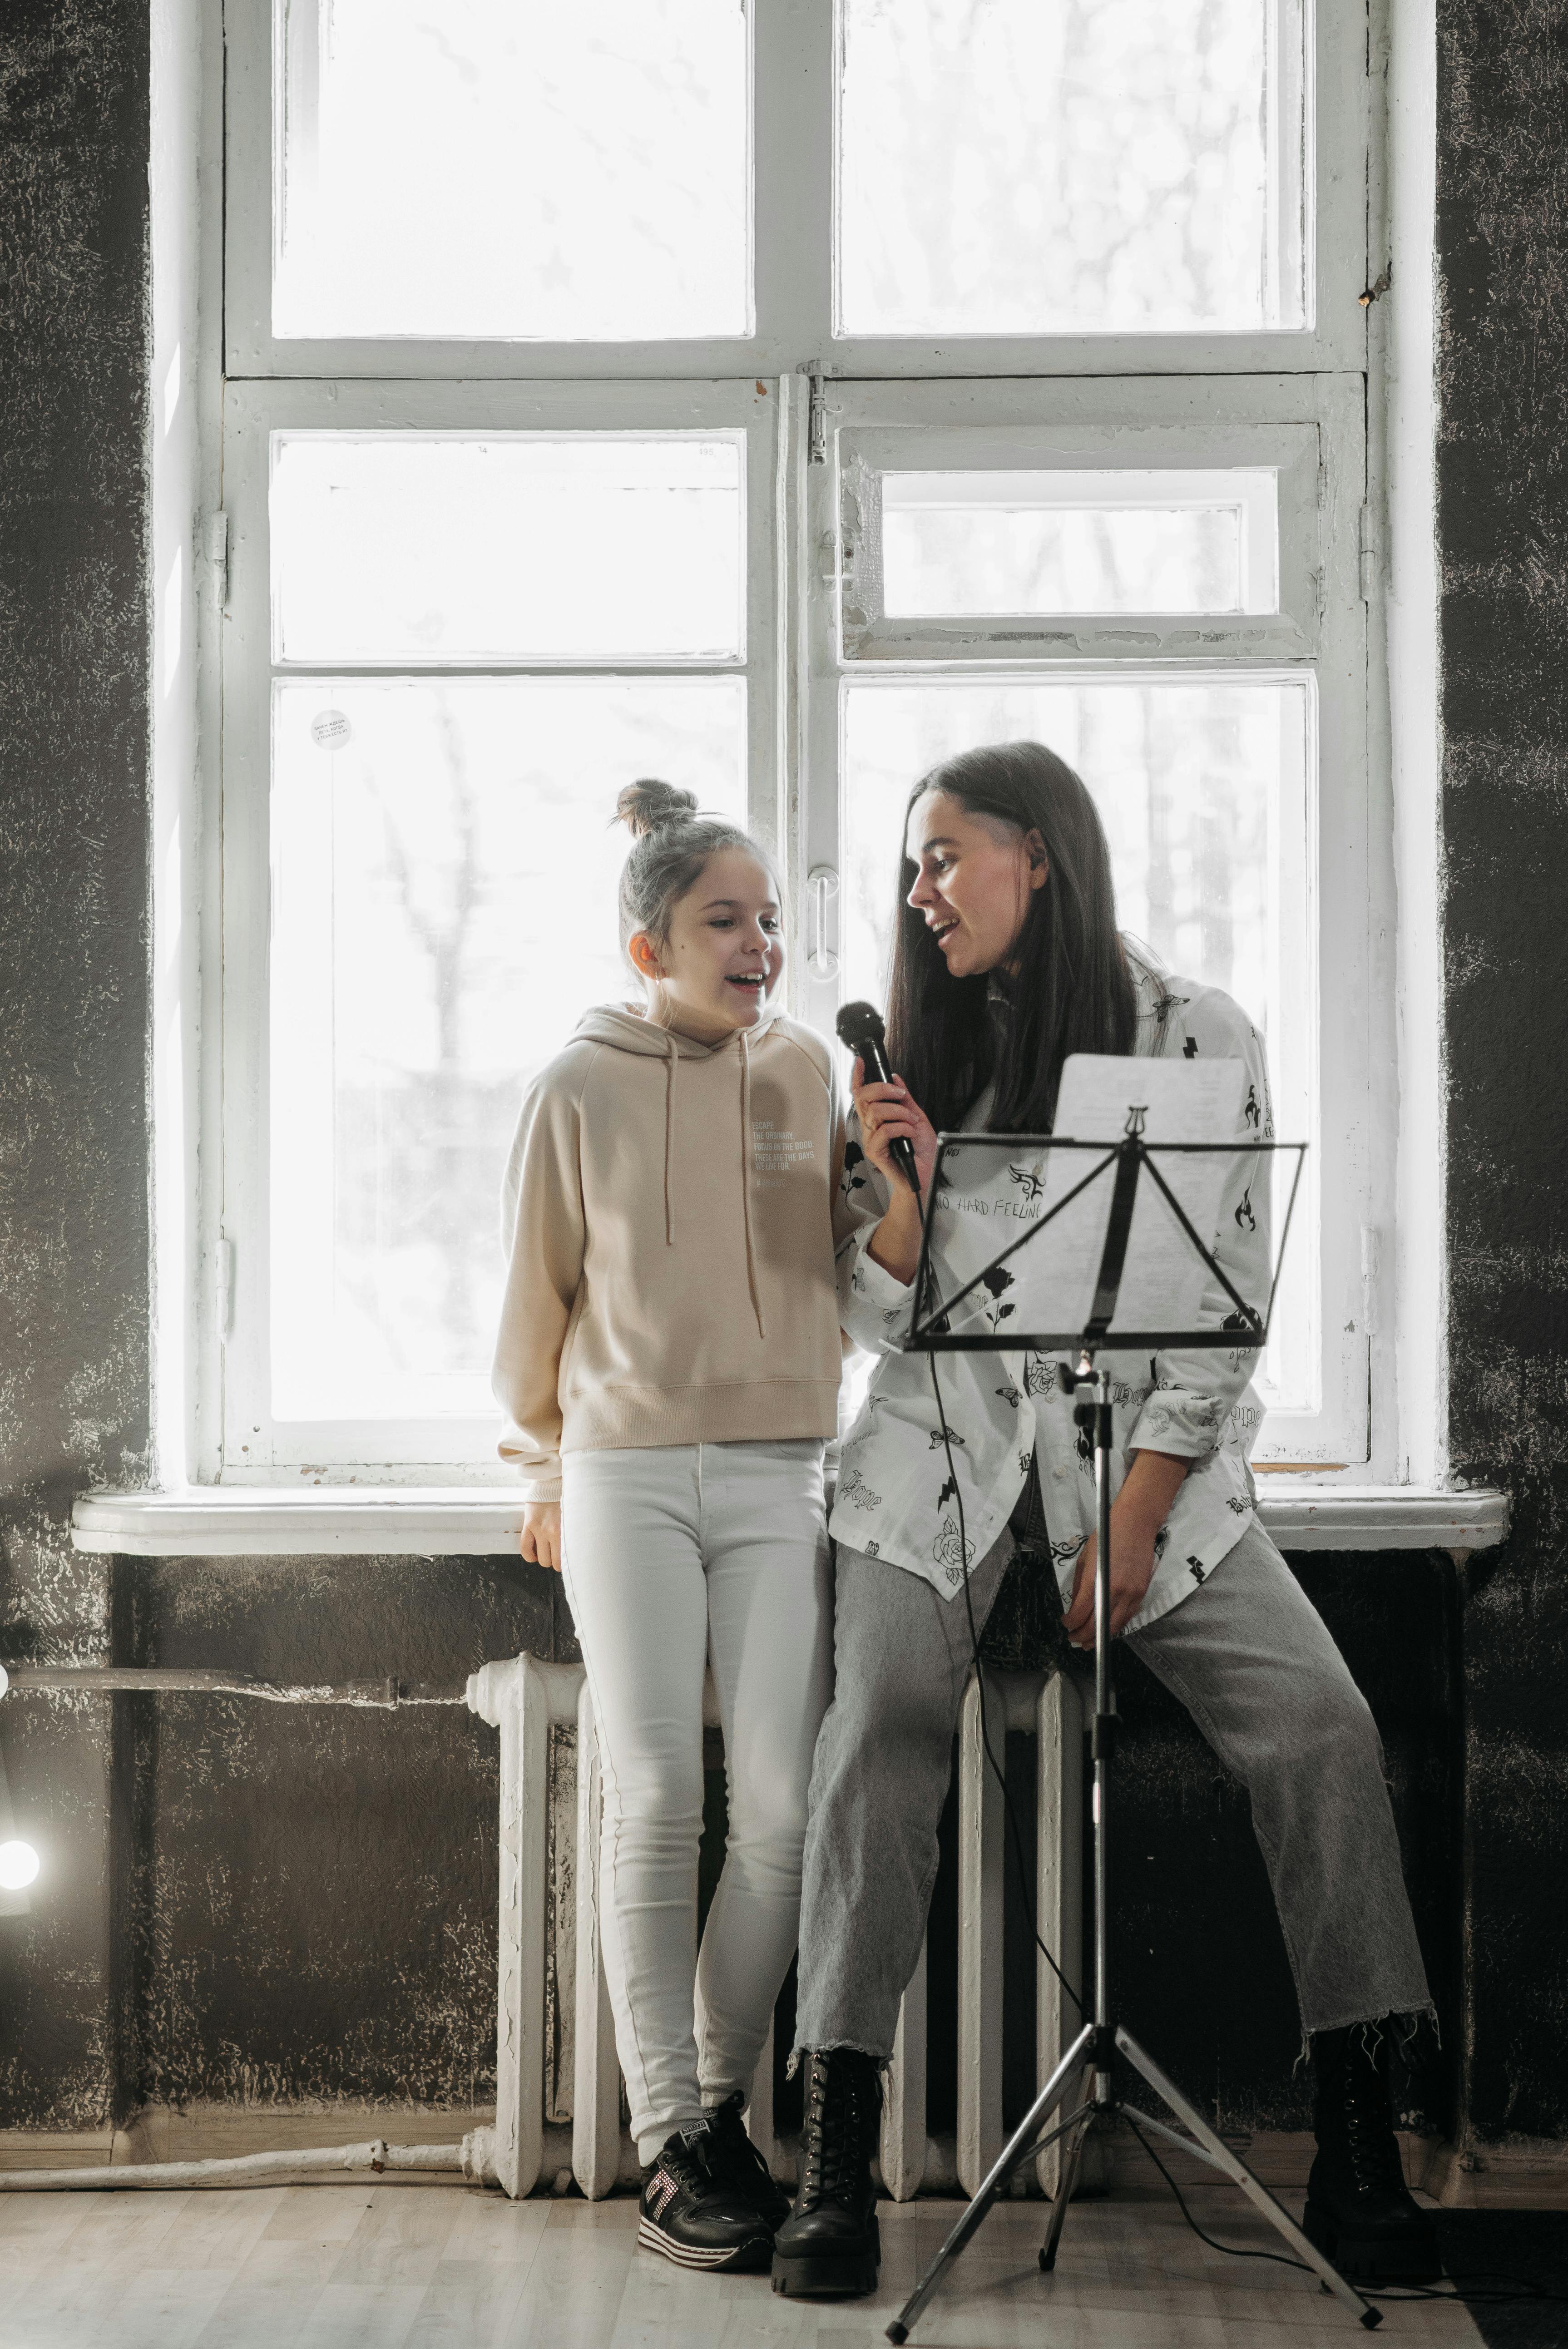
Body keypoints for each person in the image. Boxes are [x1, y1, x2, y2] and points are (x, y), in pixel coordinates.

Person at [770, 742, 1440, 2300]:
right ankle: (834, 2146)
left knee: (1327, 1730)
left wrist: (1135, 1517)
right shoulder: (895, 1060)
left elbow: (1221, 1321)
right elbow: (876, 1321)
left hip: (1151, 1471)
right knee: (876, 1727)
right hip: (933, 1472)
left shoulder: (1202, 1039)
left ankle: (1358, 2138)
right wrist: (906, 1203)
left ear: (1041, 856)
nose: (919, 892)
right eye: (910, 865)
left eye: (945, 856)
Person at [494, 780, 849, 2274]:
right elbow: (538, 1292)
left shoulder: (810, 1074)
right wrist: (539, 1464)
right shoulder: (577, 1084)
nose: (758, 943)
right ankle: (670, 2148)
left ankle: (707, 2116)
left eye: (770, 920)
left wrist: (898, 1191)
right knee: (655, 1795)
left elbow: (858, 1263)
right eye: (726, 920)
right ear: (650, 944)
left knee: (781, 1809)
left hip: (779, 1473)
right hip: (625, 1470)